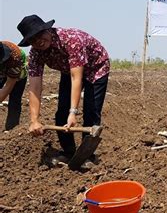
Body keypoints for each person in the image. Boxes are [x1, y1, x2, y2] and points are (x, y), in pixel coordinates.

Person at [17, 14, 110, 166]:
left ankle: (88, 155)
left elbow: (76, 78)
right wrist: (34, 120)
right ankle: (69, 152)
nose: (38, 42)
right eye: (32, 40)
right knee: (61, 112)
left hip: (96, 68)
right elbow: (34, 86)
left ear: (47, 30)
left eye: (39, 35)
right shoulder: (35, 54)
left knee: (90, 111)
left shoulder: (71, 40)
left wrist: (73, 112)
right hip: (69, 70)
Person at [0, 41, 28, 131]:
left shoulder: (15, 57)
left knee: (15, 99)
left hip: (18, 73)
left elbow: (8, 87)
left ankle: (11, 129)